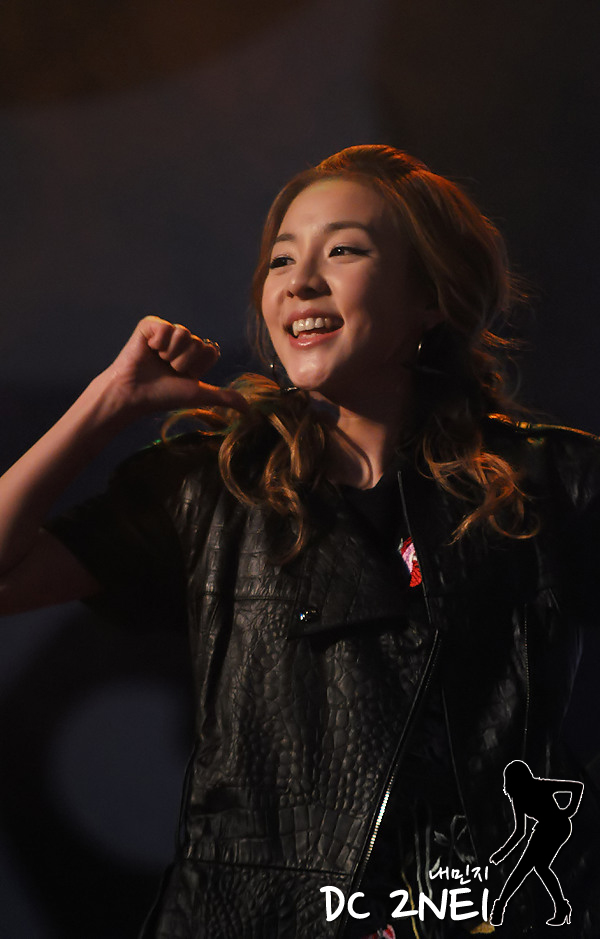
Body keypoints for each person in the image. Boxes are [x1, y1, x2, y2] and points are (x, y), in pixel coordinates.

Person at [0, 144, 599, 939]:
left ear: (430, 295)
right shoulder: (212, 486)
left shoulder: (553, 481)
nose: (300, 280)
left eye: (343, 250)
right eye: (282, 259)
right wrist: (105, 403)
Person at [489, 760, 584, 927]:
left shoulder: (540, 785)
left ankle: (499, 908)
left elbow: (576, 787)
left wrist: (569, 811)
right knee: (538, 868)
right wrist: (502, 853)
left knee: (526, 868)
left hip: (558, 826)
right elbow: (520, 831)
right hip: (544, 829)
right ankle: (561, 907)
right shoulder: (518, 799)